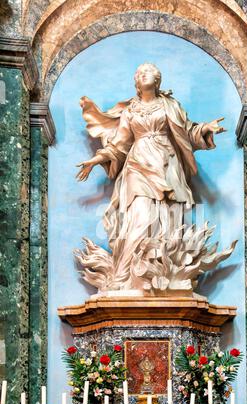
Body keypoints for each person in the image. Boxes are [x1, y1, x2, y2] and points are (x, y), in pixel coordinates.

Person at [76, 63, 227, 292]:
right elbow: (119, 145)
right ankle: (126, 275)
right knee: (140, 218)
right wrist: (96, 160)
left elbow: (186, 132)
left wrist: (206, 128)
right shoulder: (130, 111)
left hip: (166, 165)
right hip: (137, 166)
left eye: (149, 72)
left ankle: (159, 272)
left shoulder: (170, 105)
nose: (144, 73)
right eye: (140, 72)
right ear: (137, 82)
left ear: (157, 81)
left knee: (165, 221)